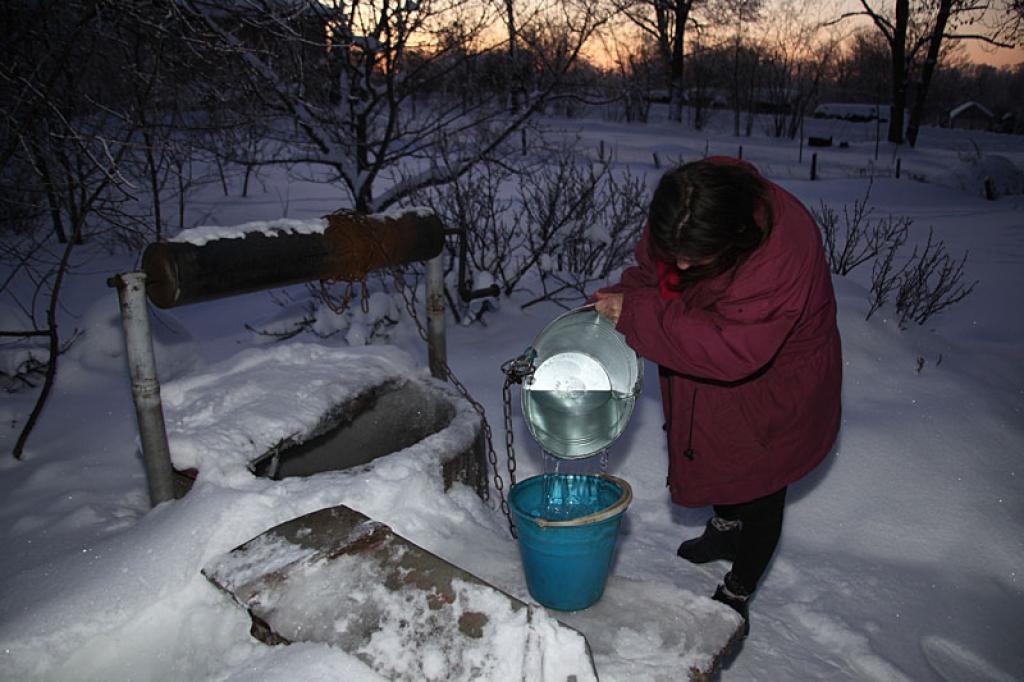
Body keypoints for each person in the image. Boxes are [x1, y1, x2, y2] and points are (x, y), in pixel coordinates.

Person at [594, 156, 842, 636]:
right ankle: (725, 531)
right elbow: (653, 270)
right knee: (717, 451)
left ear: (735, 238)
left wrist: (639, 317)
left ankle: (739, 590)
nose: (681, 264)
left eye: (693, 256)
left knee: (762, 482)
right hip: (708, 353)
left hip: (777, 381)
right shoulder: (686, 210)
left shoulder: (781, 254)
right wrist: (621, 302)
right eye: (676, 250)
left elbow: (733, 348)